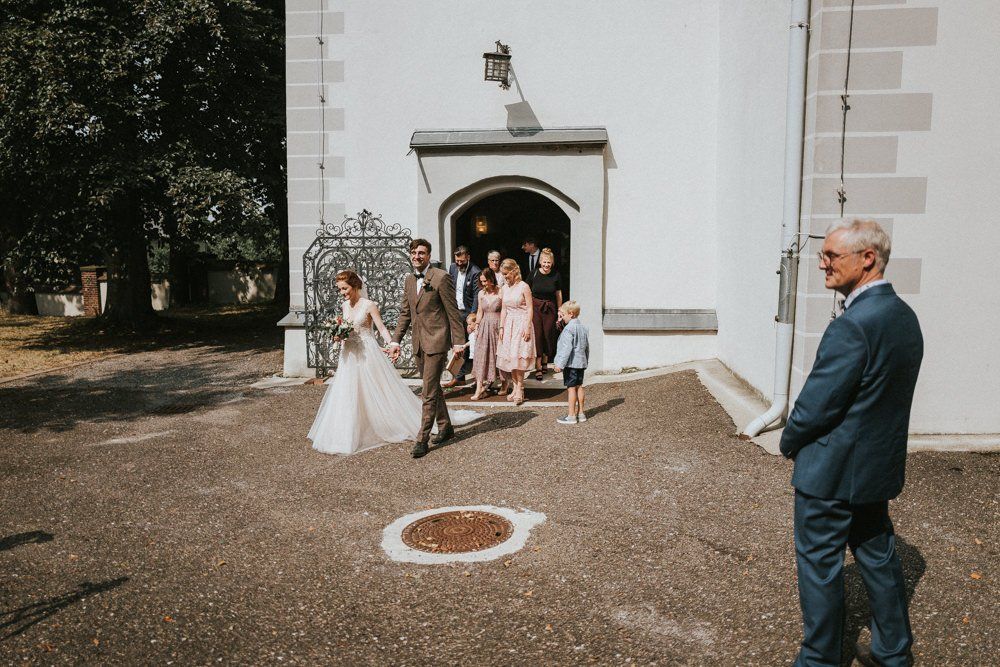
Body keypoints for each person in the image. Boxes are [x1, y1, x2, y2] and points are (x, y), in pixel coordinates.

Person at [779, 218, 923, 667]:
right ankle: (893, 652)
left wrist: (788, 441)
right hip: (875, 468)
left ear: (868, 259)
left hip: (831, 472)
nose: (822, 263)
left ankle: (820, 659)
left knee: (820, 566)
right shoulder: (904, 316)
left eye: (831, 255)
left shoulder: (853, 325)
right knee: (878, 556)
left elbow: (815, 406)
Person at [307, 270, 482, 456]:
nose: (342, 293)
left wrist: (392, 343)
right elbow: (346, 328)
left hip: (366, 353)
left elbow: (381, 328)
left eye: (345, 288)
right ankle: (348, 431)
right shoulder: (344, 305)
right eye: (340, 289)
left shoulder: (369, 305)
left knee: (381, 390)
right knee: (347, 392)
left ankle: (424, 433)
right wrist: (338, 335)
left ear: (355, 286)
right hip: (349, 355)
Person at [389, 239, 471, 458]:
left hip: (436, 341)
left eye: (421, 253)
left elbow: (453, 313)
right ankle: (445, 426)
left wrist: (458, 342)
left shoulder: (441, 277)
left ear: (428, 255)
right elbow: (405, 313)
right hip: (418, 342)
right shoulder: (409, 280)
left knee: (428, 391)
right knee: (433, 387)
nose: (417, 256)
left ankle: (422, 438)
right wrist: (396, 340)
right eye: (414, 252)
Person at [496, 258, 535, 405]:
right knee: (510, 357)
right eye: (503, 274)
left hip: (521, 323)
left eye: (506, 274)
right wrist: (501, 327)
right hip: (509, 325)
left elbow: (530, 308)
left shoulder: (524, 286)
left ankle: (520, 388)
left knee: (518, 357)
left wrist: (527, 327)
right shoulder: (504, 288)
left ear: (514, 271)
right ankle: (514, 387)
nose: (505, 277)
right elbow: (504, 309)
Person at [447, 246, 481, 385]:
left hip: (468, 313)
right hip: (456, 312)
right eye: (457, 261)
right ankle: (459, 377)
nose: (459, 264)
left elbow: (477, 295)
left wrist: (472, 317)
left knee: (472, 345)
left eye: (462, 261)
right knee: (458, 344)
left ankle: (478, 377)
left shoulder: (475, 272)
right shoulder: (452, 268)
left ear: (468, 257)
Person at [552, 301, 589, 424]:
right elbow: (587, 347)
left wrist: (560, 364)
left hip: (571, 364)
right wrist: (586, 361)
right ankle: (581, 413)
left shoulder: (568, 329)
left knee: (571, 388)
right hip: (581, 363)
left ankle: (571, 416)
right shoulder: (583, 328)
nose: (562, 318)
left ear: (571, 314)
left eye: (563, 315)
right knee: (579, 387)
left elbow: (566, 348)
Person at [529, 247, 563, 380]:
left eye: (549, 262)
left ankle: (545, 359)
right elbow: (527, 291)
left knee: (548, 334)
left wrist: (560, 310)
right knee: (537, 335)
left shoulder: (556, 275)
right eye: (544, 262)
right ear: (540, 262)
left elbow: (558, 293)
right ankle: (538, 366)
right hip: (536, 307)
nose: (546, 265)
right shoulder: (533, 274)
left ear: (552, 262)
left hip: (550, 308)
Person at [470, 268, 503, 401]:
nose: (483, 284)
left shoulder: (500, 291)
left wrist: (503, 327)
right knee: (481, 355)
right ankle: (479, 388)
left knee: (496, 356)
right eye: (481, 281)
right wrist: (477, 325)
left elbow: (505, 310)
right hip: (484, 326)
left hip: (497, 325)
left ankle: (497, 384)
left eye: (485, 281)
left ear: (491, 279)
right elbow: (480, 311)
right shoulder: (481, 293)